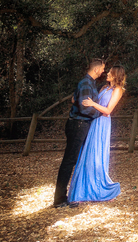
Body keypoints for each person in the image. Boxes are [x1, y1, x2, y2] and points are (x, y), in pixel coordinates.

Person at [67, 65, 126, 203]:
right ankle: (84, 190)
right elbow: (90, 101)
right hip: (94, 121)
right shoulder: (104, 88)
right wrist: (79, 98)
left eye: (110, 72)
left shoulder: (118, 90)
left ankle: (100, 188)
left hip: (103, 124)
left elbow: (108, 110)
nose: (107, 74)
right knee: (87, 154)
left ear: (116, 75)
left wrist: (93, 104)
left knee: (97, 154)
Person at [53, 58, 105, 208]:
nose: (103, 71)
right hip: (78, 125)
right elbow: (85, 109)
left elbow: (76, 99)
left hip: (80, 124)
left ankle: (72, 194)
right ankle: (59, 199)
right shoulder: (86, 83)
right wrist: (101, 114)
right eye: (102, 69)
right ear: (96, 69)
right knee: (69, 161)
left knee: (74, 160)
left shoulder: (89, 84)